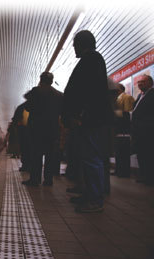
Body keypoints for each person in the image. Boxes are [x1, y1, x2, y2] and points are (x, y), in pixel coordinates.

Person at [62, 30, 113, 213]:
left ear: (82, 44)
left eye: (75, 44)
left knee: (92, 158)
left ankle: (95, 200)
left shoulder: (92, 59)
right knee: (88, 158)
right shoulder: (92, 60)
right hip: (88, 117)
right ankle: (89, 193)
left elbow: (88, 91)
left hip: (90, 118)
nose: (74, 48)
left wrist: (81, 113)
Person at [22, 72, 63, 186]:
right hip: (52, 129)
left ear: (41, 79)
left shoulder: (36, 91)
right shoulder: (59, 94)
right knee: (50, 155)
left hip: (37, 128)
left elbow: (27, 106)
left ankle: (35, 179)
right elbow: (61, 111)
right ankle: (48, 180)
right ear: (51, 80)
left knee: (36, 154)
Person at [131, 74, 154, 186]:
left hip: (148, 130)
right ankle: (144, 175)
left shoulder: (152, 94)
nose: (140, 84)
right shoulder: (140, 96)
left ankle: (150, 178)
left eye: (143, 82)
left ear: (150, 83)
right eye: (139, 82)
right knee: (141, 153)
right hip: (138, 130)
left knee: (149, 154)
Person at [113, 83, 134, 177]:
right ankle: (118, 170)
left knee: (123, 152)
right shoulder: (117, 98)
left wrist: (115, 113)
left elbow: (128, 114)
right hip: (117, 129)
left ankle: (124, 172)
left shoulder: (127, 97)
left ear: (120, 89)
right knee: (118, 152)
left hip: (124, 130)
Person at [12, 101, 31, 172]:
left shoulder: (21, 107)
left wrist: (17, 127)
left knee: (24, 149)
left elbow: (15, 120)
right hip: (33, 132)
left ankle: (25, 165)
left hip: (23, 131)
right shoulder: (38, 106)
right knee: (32, 150)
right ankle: (31, 166)